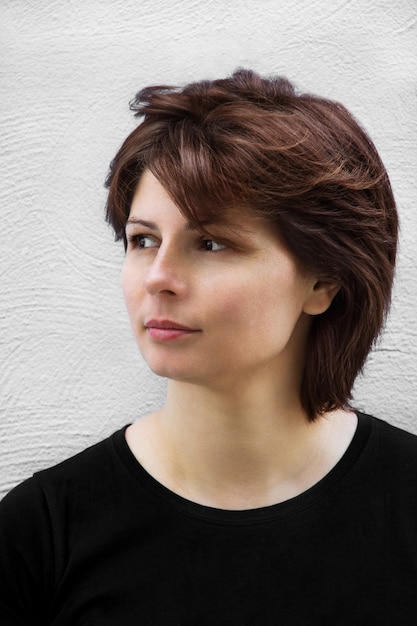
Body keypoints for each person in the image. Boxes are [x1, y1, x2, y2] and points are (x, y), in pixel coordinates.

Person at [0, 68, 416, 625]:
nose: (159, 277)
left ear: (323, 283)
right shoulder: (40, 533)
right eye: (143, 240)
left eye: (212, 242)